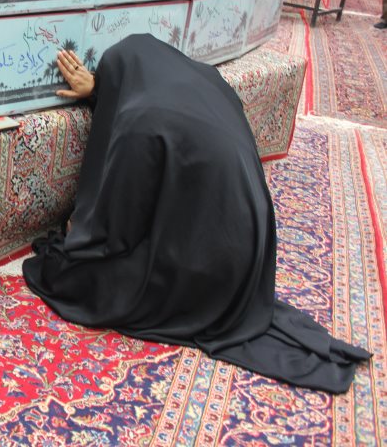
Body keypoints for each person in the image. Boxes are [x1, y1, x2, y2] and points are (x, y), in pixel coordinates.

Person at [23, 35, 371, 394]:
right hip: (254, 246)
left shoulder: (138, 119)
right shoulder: (209, 82)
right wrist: (100, 88)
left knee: (77, 276)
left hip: (209, 263)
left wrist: (78, 232)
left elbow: (115, 233)